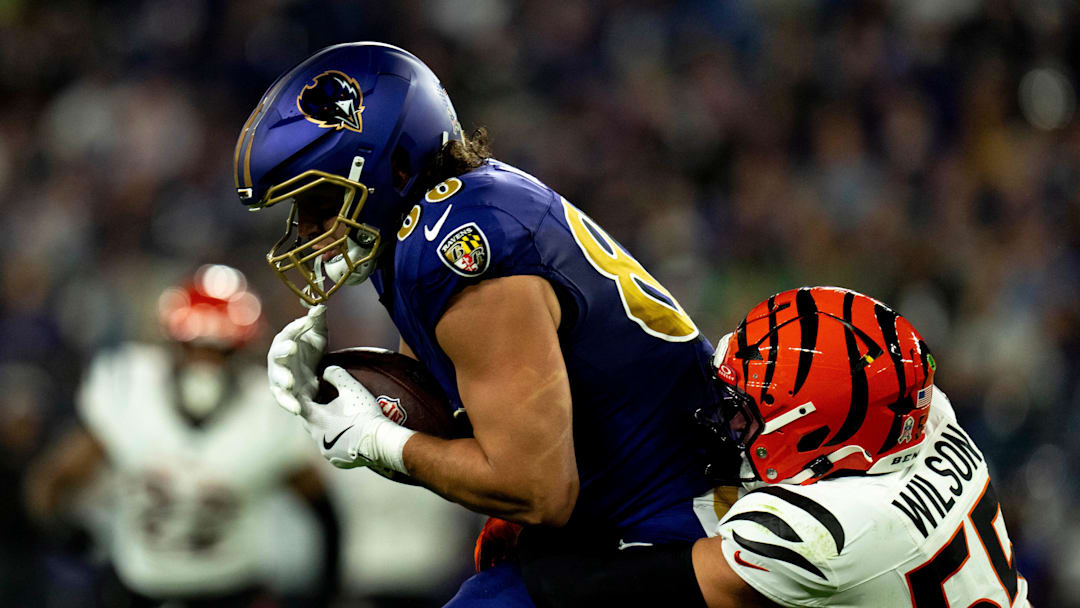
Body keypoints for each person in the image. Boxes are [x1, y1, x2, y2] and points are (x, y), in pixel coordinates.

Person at [234, 42, 722, 605]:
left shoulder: (454, 246)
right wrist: (339, 394)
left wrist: (376, 441)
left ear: (395, 166)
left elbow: (537, 490)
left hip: (673, 522)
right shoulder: (432, 224)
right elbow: (453, 426)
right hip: (623, 515)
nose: (305, 229)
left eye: (320, 200)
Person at [517, 286, 1031, 608]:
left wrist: (535, 548)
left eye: (747, 412)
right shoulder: (927, 417)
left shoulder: (826, 531)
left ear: (818, 437)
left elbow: (611, 589)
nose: (729, 420)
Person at [25, 264, 341, 608]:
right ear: (172, 344)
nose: (205, 362)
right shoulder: (128, 389)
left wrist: (323, 589)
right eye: (194, 346)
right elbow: (51, 484)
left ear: (242, 351)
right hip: (140, 591)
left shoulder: (267, 411)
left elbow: (323, 510)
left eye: (221, 349)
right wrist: (70, 536)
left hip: (232, 592)